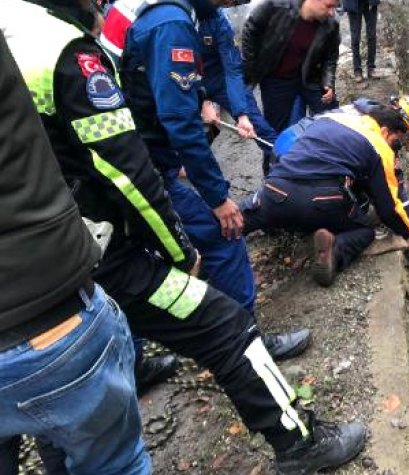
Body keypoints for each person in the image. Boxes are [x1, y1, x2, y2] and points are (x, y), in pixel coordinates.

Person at [3, 2, 365, 473]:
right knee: (223, 323)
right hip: (81, 262)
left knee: (59, 427)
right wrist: (179, 248)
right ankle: (302, 443)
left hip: (53, 269)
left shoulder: (27, 32)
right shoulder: (64, 47)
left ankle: (133, 363)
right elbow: (124, 168)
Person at [0, 26, 150, 475]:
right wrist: (178, 251)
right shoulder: (65, 47)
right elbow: (121, 159)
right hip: (47, 316)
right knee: (111, 461)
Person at [101, 0, 258, 315]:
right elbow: (181, 123)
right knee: (224, 234)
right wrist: (218, 198)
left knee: (138, 260)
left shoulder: (159, 9)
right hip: (139, 166)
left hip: (120, 159)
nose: (236, 4)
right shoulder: (170, 22)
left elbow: (141, 84)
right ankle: (245, 338)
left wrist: (197, 102)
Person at [240, 97, 409, 286]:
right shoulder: (379, 147)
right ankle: (334, 251)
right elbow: (388, 206)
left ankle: (216, 241)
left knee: (237, 218)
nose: (401, 146)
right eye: (401, 139)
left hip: (277, 185)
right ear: (385, 131)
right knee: (364, 230)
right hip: (320, 199)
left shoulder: (335, 117)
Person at [198, 3, 279, 174]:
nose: (230, 5)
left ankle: (286, 166)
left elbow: (232, 69)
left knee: (258, 126)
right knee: (190, 133)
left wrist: (241, 114)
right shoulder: (178, 16)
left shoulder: (219, 20)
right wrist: (203, 99)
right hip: (187, 82)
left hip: (219, 78)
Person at [242, 0, 340, 138]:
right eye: (329, 6)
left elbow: (331, 56)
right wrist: (252, 67)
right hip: (276, 80)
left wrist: (328, 82)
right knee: (278, 131)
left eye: (335, 7)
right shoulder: (275, 7)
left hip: (311, 76)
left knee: (332, 120)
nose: (332, 12)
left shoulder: (331, 24)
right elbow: (250, 29)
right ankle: (276, 158)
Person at [342, 0, 380, 82]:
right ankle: (357, 70)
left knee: (372, 35)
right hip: (353, 3)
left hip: (370, 2)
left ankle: (371, 68)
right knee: (355, 38)